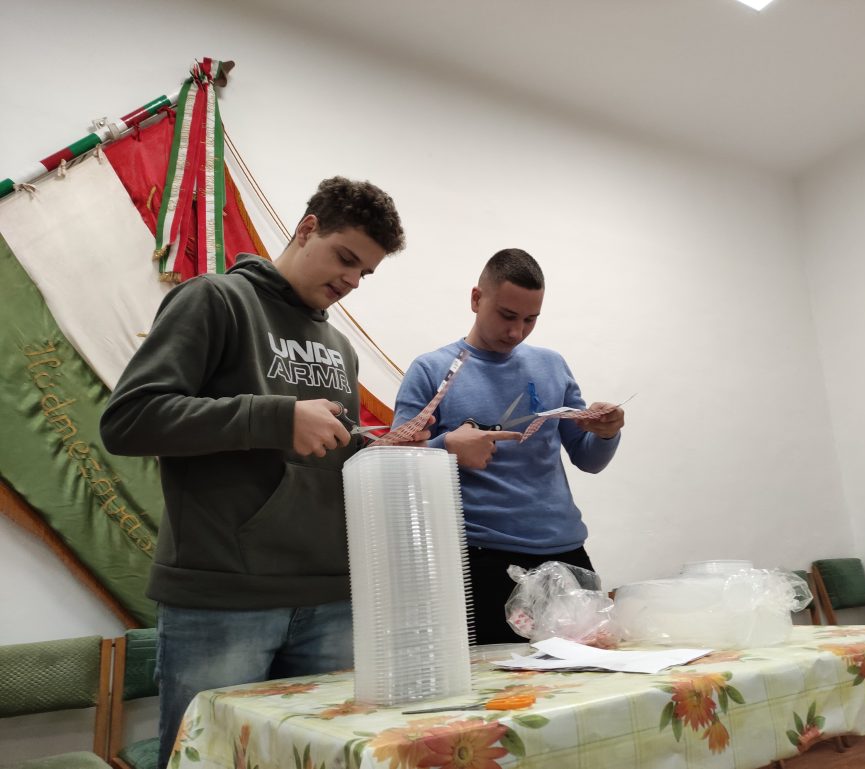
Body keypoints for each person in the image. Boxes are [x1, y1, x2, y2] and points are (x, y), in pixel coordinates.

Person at [100, 176, 426, 768]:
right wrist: (274, 418)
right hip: (225, 599)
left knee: (321, 760)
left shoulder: (341, 347)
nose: (352, 281)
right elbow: (129, 420)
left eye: (365, 273)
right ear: (306, 228)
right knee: (210, 759)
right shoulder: (215, 300)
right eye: (345, 258)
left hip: (333, 597)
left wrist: (384, 451)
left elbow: (328, 455)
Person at [392, 248, 625, 645]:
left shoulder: (552, 365)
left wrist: (606, 433)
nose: (516, 331)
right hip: (481, 557)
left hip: (566, 551)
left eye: (530, 319)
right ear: (476, 299)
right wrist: (446, 447)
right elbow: (392, 465)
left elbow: (588, 459)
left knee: (587, 674)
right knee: (497, 681)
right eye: (507, 315)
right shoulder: (430, 370)